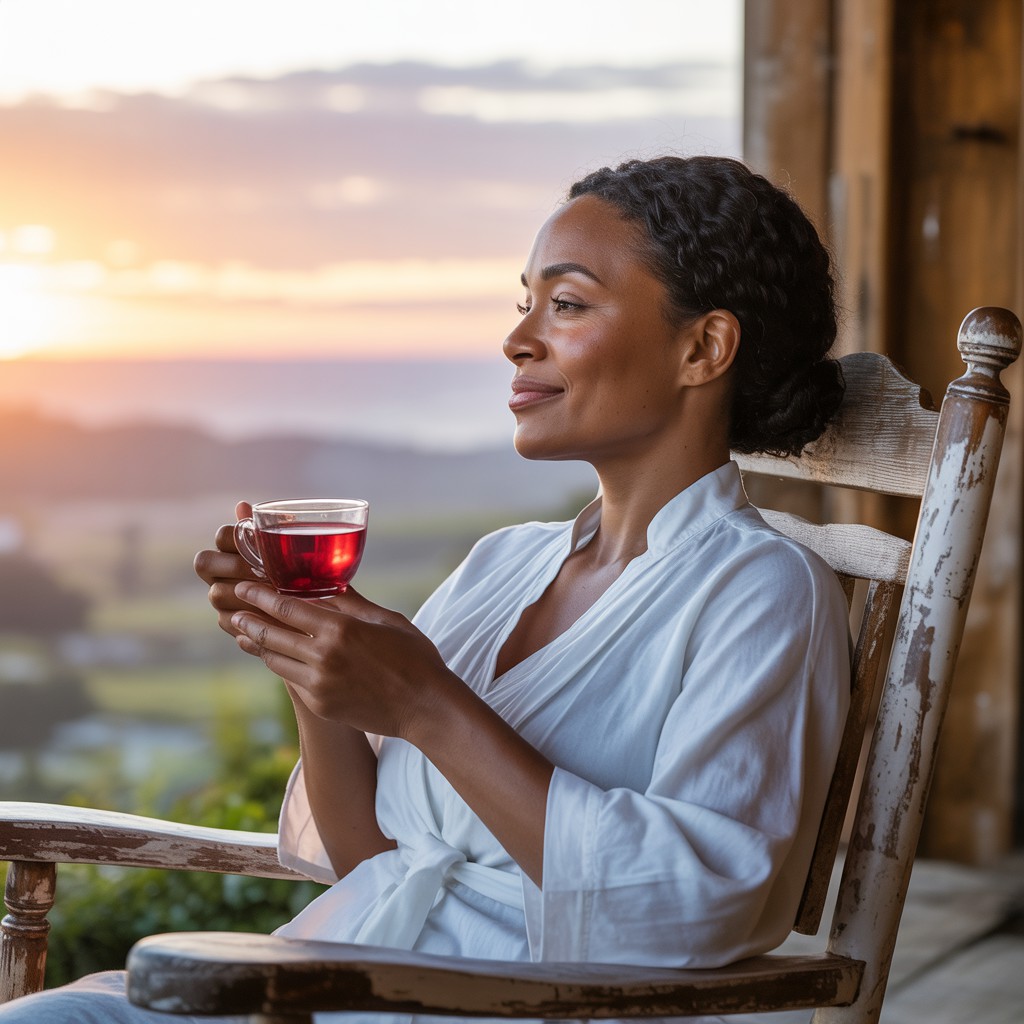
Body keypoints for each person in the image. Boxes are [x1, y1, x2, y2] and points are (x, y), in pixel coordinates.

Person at [0, 155, 850, 1023]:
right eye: (523, 303)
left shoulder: (760, 592)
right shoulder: (504, 565)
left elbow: (695, 907)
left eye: (566, 303)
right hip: (331, 978)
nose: (519, 340)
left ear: (702, 348)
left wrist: (426, 704)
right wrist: (311, 657)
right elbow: (374, 855)